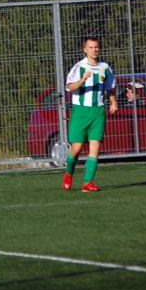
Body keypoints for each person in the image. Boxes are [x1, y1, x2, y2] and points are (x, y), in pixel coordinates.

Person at [62, 37, 118, 192]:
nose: (95, 50)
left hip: (98, 112)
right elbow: (70, 87)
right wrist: (82, 79)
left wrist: (113, 102)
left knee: (95, 147)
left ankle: (88, 182)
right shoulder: (79, 67)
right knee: (76, 148)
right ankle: (68, 173)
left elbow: (110, 87)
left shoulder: (105, 68)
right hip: (81, 112)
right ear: (85, 50)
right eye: (91, 47)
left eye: (97, 47)